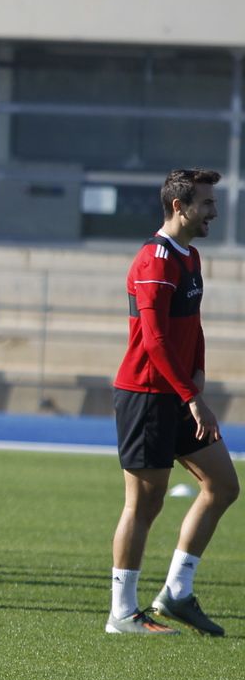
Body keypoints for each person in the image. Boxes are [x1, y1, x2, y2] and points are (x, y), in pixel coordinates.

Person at [106, 167, 238, 635]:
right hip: (146, 395)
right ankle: (122, 613)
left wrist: (198, 374)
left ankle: (177, 594)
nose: (214, 213)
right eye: (206, 204)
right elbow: (155, 338)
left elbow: (192, 325)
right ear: (179, 206)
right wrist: (192, 396)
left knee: (223, 485)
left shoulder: (190, 257)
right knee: (143, 505)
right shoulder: (154, 261)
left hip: (180, 393)